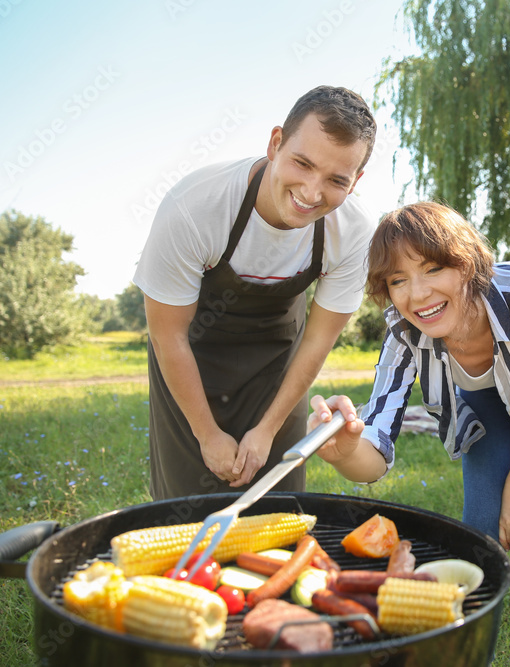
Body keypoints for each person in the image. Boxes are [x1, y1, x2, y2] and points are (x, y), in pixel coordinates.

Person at [309, 202, 510, 667]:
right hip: (486, 410)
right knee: (480, 532)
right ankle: (468, 654)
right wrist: (345, 449)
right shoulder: (403, 336)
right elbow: (376, 449)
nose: (418, 293)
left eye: (433, 268)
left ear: (467, 263)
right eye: (398, 280)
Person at [133, 85, 377, 501]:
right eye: (302, 163)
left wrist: (268, 429)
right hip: (190, 365)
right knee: (184, 513)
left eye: (336, 180)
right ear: (276, 143)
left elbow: (318, 341)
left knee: (275, 513)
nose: (312, 193)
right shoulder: (195, 207)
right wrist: (208, 435)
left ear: (356, 182)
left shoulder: (353, 233)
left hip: (279, 373)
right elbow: (168, 335)